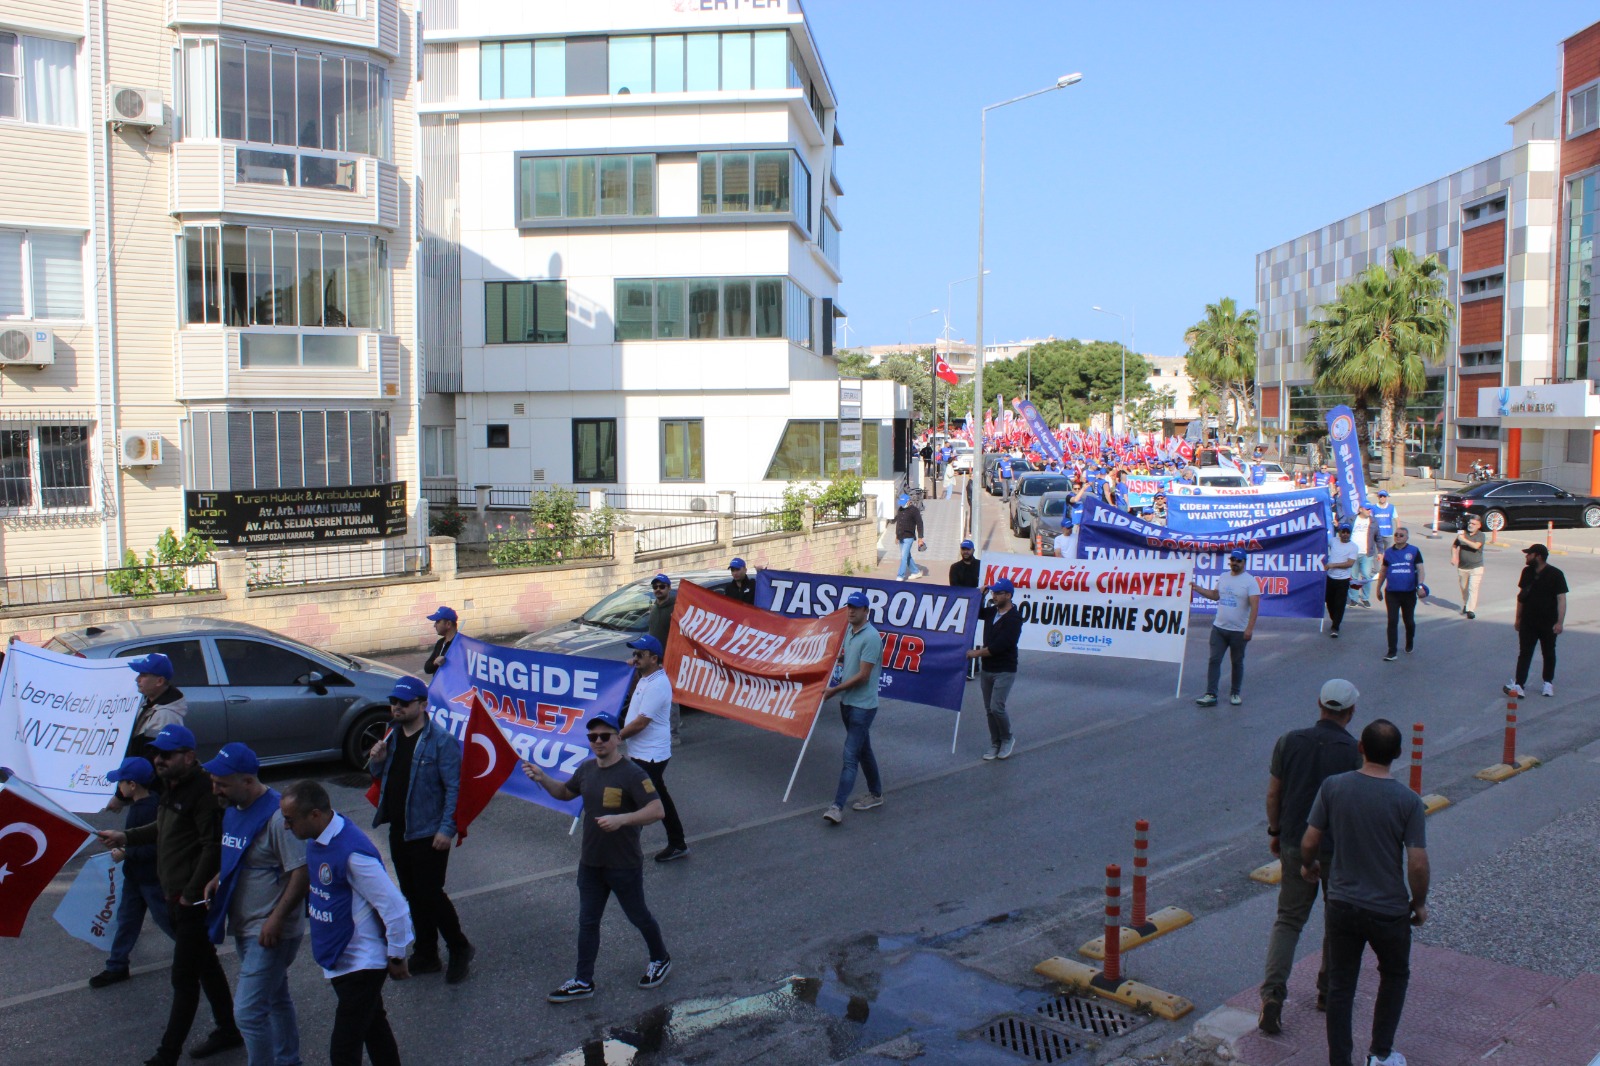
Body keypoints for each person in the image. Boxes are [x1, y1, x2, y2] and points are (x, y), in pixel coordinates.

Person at [96, 725, 241, 1066]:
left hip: (190, 900)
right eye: (157, 754)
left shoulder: (204, 791)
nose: (159, 760)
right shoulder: (171, 787)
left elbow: (211, 845)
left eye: (168, 755)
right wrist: (126, 836)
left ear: (188, 757)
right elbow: (165, 827)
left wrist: (191, 894)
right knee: (205, 966)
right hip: (174, 893)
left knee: (184, 978)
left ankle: (167, 1055)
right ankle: (228, 1029)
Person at [1302, 720, 1429, 1066]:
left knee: (1341, 985)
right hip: (1388, 909)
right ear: (1399, 754)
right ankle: (1380, 1054)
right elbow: (1417, 863)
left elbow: (1310, 840)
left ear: (1361, 747)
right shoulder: (1409, 801)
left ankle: (1340, 1060)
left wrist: (1307, 865)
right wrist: (1418, 902)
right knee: (1394, 975)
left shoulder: (1334, 787)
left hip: (1342, 903)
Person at [522, 712, 671, 1004]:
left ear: (618, 738)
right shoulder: (587, 769)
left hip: (623, 863)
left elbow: (657, 810)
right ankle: (582, 980)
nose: (598, 741)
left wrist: (623, 820)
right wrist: (542, 777)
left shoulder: (633, 774)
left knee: (638, 915)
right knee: (588, 921)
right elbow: (565, 793)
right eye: (593, 737)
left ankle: (660, 957)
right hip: (590, 862)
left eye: (605, 736)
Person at [279, 780, 413, 1066]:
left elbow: (396, 908)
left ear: (314, 814)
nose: (287, 827)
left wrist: (397, 954)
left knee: (343, 1051)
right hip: (341, 958)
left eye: (290, 820)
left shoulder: (351, 852)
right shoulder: (318, 838)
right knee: (374, 1028)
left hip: (361, 964)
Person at [1257, 679, 1364, 1035]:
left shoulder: (1289, 741)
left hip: (1293, 840)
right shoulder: (1355, 752)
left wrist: (1275, 832)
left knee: (1288, 920)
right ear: (1350, 713)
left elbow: (1274, 794)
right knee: (1336, 924)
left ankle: (1272, 996)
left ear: (1319, 703)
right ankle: (1326, 991)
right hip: (1337, 849)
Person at [202, 743, 308, 1066]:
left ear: (247, 781)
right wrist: (220, 876)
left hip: (270, 931)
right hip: (247, 926)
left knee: (247, 1014)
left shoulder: (278, 816)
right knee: (276, 998)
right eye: (213, 781)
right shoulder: (234, 809)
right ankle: (289, 1060)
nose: (215, 789)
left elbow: (301, 873)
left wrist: (276, 920)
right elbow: (244, 853)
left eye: (222, 783)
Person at [367, 676, 473, 983]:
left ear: (423, 705)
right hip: (400, 827)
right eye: (394, 702)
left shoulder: (441, 740)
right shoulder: (392, 735)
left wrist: (447, 829)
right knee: (412, 893)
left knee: (430, 893)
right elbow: (383, 777)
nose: (396, 707)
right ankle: (427, 953)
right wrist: (377, 762)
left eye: (404, 703)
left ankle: (459, 947)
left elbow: (455, 788)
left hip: (428, 831)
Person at [90, 757, 174, 988]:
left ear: (132, 785)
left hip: (150, 879)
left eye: (121, 783)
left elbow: (154, 846)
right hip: (136, 878)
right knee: (126, 921)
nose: (119, 788)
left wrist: (126, 852)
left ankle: (196, 952)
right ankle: (116, 965)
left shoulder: (144, 811)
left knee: (165, 920)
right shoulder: (150, 803)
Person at [616, 635, 688, 862]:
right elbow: (632, 699)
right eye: (633, 654)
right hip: (643, 752)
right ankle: (678, 843)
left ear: (654, 658)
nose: (634, 658)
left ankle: (625, 849)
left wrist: (616, 736)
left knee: (636, 799)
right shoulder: (646, 677)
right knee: (659, 798)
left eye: (640, 655)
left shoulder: (658, 684)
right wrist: (630, 670)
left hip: (651, 756)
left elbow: (641, 722)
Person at [821, 592, 885, 825]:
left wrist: (834, 690)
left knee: (850, 756)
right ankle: (876, 793)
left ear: (866, 611)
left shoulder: (871, 638)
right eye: (849, 607)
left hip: (862, 707)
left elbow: (863, 676)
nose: (851, 611)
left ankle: (836, 807)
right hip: (847, 703)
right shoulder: (849, 631)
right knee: (863, 750)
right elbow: (843, 660)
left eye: (856, 608)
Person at [1194, 548, 1260, 707]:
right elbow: (1215, 596)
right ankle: (1211, 694)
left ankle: (1235, 692)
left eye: (1238, 561)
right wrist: (1197, 588)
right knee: (1214, 659)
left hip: (1238, 631)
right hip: (1219, 628)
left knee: (1237, 662)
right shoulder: (1223, 577)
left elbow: (1255, 607)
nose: (1235, 563)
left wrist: (1249, 629)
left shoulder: (1250, 581)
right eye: (1233, 560)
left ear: (1244, 562)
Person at [967, 577, 1022, 760]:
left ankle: (1007, 738)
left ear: (1008, 595)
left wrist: (975, 654)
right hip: (988, 669)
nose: (995, 596)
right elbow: (975, 612)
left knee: (996, 707)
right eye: (993, 592)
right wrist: (980, 594)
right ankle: (995, 743)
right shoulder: (992, 612)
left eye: (998, 593)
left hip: (1004, 669)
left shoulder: (1014, 619)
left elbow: (999, 647)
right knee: (989, 710)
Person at [1505, 543, 1568, 698]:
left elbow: (1561, 599)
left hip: (1548, 621)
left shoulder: (1556, 574)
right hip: (1528, 621)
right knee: (1525, 652)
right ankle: (1519, 685)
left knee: (1548, 652)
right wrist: (1518, 618)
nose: (1526, 556)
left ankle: (1548, 683)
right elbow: (1521, 597)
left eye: (1529, 554)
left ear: (1538, 556)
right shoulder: (1526, 572)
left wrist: (1559, 622)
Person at [127, 653, 188, 760]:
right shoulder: (148, 703)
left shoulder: (165, 715)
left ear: (159, 681)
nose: (137, 679)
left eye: (143, 675)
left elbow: (153, 756)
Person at [1376, 528, 1425, 662]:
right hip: (1392, 592)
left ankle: (1409, 641)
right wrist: (1378, 588)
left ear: (1407, 537)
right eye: (1396, 535)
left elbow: (1420, 569)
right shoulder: (1389, 553)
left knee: (1408, 621)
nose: (1398, 537)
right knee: (1392, 621)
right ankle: (1392, 651)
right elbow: (1383, 570)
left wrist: (1420, 586)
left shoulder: (1414, 551)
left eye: (1401, 535)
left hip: (1408, 593)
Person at [645, 574, 682, 740]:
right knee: (657, 694)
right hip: (655, 659)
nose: (658, 590)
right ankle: (661, 727)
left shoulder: (676, 608)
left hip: (671, 659)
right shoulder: (655, 608)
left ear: (669, 588)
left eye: (662, 587)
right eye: (655, 587)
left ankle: (673, 733)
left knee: (671, 697)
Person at [1325, 523, 1359, 637]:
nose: (1345, 534)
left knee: (1340, 604)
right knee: (1329, 602)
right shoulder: (1333, 541)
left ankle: (1335, 626)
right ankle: (1335, 619)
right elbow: (1321, 542)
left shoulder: (1353, 547)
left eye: (1347, 532)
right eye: (1343, 532)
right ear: (1339, 532)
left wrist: (1332, 565)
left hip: (1343, 580)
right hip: (1330, 578)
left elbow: (1349, 563)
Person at [1452, 515, 1486, 619]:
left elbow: (1476, 546)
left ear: (1479, 525)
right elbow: (1454, 545)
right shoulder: (1463, 533)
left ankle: (1471, 610)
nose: (1470, 525)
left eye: (1473, 524)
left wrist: (1463, 540)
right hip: (1463, 567)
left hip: (1476, 567)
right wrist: (1454, 557)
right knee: (1464, 588)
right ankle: (1466, 604)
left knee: (1473, 588)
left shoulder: (1481, 535)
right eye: (1470, 523)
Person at [892, 495, 926, 581]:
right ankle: (916, 572)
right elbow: (898, 523)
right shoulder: (900, 509)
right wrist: (897, 535)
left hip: (909, 537)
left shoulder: (914, 510)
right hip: (901, 537)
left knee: (903, 556)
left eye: (903, 503)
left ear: (908, 502)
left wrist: (920, 538)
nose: (902, 505)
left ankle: (900, 575)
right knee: (907, 556)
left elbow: (920, 524)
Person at [421, 606, 458, 675]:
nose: (434, 625)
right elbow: (427, 668)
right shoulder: (440, 643)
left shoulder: (460, 644)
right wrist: (435, 662)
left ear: (448, 624)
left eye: (438, 622)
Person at [1369, 489, 1397, 555]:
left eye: (1384, 496)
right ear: (1378, 497)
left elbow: (1397, 519)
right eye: (1380, 496)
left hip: (1388, 534)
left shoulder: (1391, 507)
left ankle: (1386, 564)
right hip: (1377, 534)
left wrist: (1398, 531)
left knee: (1388, 553)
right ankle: (1378, 564)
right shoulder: (1373, 507)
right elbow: (1369, 520)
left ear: (1387, 497)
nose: (1382, 498)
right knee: (1377, 554)